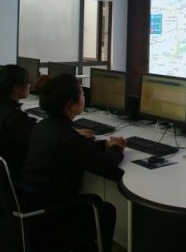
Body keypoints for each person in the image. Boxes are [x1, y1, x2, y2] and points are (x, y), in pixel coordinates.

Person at [23, 73, 126, 252]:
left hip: (35, 201)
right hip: (54, 209)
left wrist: (103, 144)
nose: (84, 96)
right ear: (71, 105)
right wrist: (117, 148)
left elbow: (77, 150)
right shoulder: (67, 139)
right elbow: (107, 166)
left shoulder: (44, 126)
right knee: (105, 209)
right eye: (82, 93)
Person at [0, 65, 37, 181]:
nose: (30, 85)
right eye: (28, 82)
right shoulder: (13, 116)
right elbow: (34, 141)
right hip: (10, 176)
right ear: (16, 88)